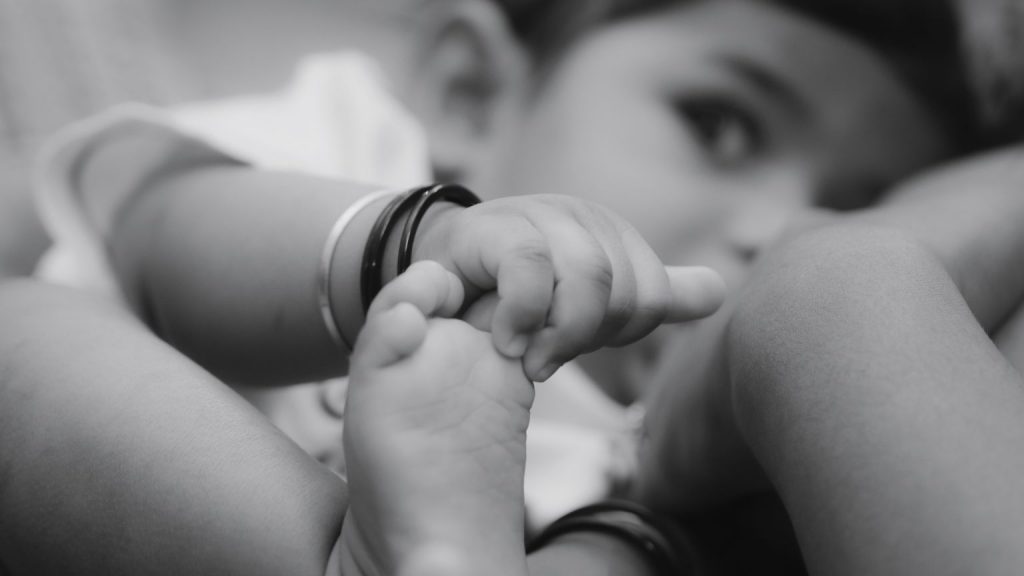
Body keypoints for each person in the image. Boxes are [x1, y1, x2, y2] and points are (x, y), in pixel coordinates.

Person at [2, 0, 1010, 573]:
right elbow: (158, 245)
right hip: (171, 484)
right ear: (472, 92)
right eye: (720, 124)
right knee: (23, 334)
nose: (775, 226)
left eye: (853, 201)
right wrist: (418, 243)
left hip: (550, 540)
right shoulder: (368, 153)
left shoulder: (692, 435)